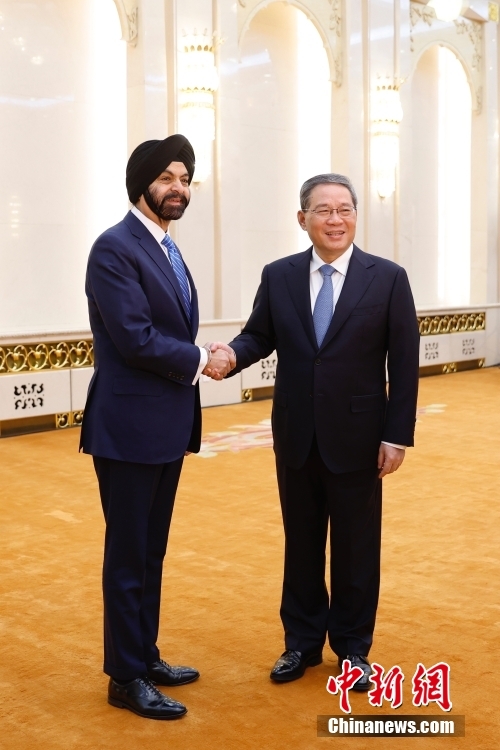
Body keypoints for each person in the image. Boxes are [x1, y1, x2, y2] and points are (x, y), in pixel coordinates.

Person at [210, 173, 419, 688]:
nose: (335, 219)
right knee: (301, 544)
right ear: (302, 218)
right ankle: (300, 644)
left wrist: (396, 435)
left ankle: (352, 650)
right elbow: (259, 334)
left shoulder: (388, 278)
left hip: (360, 440)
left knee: (356, 548)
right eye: (323, 210)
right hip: (296, 436)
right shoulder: (279, 275)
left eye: (344, 209)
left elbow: (404, 363)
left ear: (356, 217)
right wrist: (231, 354)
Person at [80, 135, 235, 720]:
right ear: (141, 183)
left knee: (151, 550)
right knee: (128, 556)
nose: (179, 188)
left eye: (185, 179)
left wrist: (199, 357)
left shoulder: (166, 248)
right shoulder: (114, 248)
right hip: (127, 428)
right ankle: (125, 677)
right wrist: (201, 359)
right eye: (167, 177)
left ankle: (143, 655)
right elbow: (135, 338)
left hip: (164, 426)